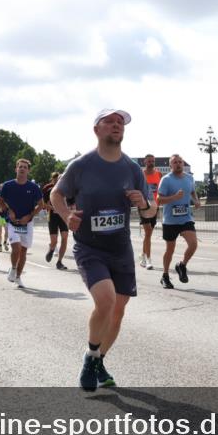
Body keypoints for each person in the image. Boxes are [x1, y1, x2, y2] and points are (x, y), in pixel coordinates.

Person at [50, 108, 156, 391]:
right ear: (96, 130)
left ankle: (97, 359)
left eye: (120, 122)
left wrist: (143, 203)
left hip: (121, 249)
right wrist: (66, 216)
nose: (116, 125)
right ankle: (91, 356)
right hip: (89, 247)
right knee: (106, 301)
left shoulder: (132, 169)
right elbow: (56, 194)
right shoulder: (81, 165)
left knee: (118, 311)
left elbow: (150, 210)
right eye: (109, 121)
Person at [0, 159, 43, 289]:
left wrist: (29, 216)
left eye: (25, 167)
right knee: (16, 248)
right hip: (12, 222)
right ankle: (13, 268)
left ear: (28, 170)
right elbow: (0, 202)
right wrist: (8, 210)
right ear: (16, 169)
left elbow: (41, 205)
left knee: (23, 251)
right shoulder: (8, 185)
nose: (22, 169)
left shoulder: (33, 187)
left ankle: (18, 277)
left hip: (26, 223)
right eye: (20, 167)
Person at [157, 154, 200, 289]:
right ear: (170, 166)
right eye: (175, 162)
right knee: (170, 250)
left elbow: (192, 191)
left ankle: (182, 265)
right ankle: (165, 276)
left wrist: (196, 200)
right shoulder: (166, 180)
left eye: (180, 162)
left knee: (193, 244)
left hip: (186, 218)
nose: (178, 164)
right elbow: (159, 200)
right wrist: (174, 197)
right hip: (170, 220)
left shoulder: (189, 178)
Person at [42, 172, 70, 270]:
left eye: (59, 179)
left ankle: (59, 262)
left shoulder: (67, 189)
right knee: (54, 241)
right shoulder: (48, 189)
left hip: (63, 216)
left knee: (65, 237)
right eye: (55, 179)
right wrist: (55, 207)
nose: (57, 181)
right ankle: (52, 248)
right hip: (52, 216)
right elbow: (43, 204)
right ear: (52, 180)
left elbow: (71, 203)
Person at [138, 154, 162, 270]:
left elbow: (160, 190)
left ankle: (142, 255)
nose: (151, 163)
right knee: (148, 232)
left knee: (149, 234)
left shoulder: (158, 174)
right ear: (144, 162)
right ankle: (148, 260)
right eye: (149, 161)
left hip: (154, 206)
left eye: (153, 161)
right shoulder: (140, 175)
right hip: (143, 206)